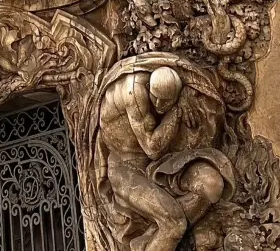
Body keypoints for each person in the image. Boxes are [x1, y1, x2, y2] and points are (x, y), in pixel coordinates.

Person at [97, 62, 235, 251]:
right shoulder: (134, 91)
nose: (160, 106)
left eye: (166, 102)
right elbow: (152, 148)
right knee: (174, 224)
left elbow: (198, 83)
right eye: (156, 99)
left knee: (212, 185)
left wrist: (187, 93)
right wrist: (176, 111)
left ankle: (151, 237)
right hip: (127, 170)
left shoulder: (171, 77)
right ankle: (161, 231)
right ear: (149, 88)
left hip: (162, 162)